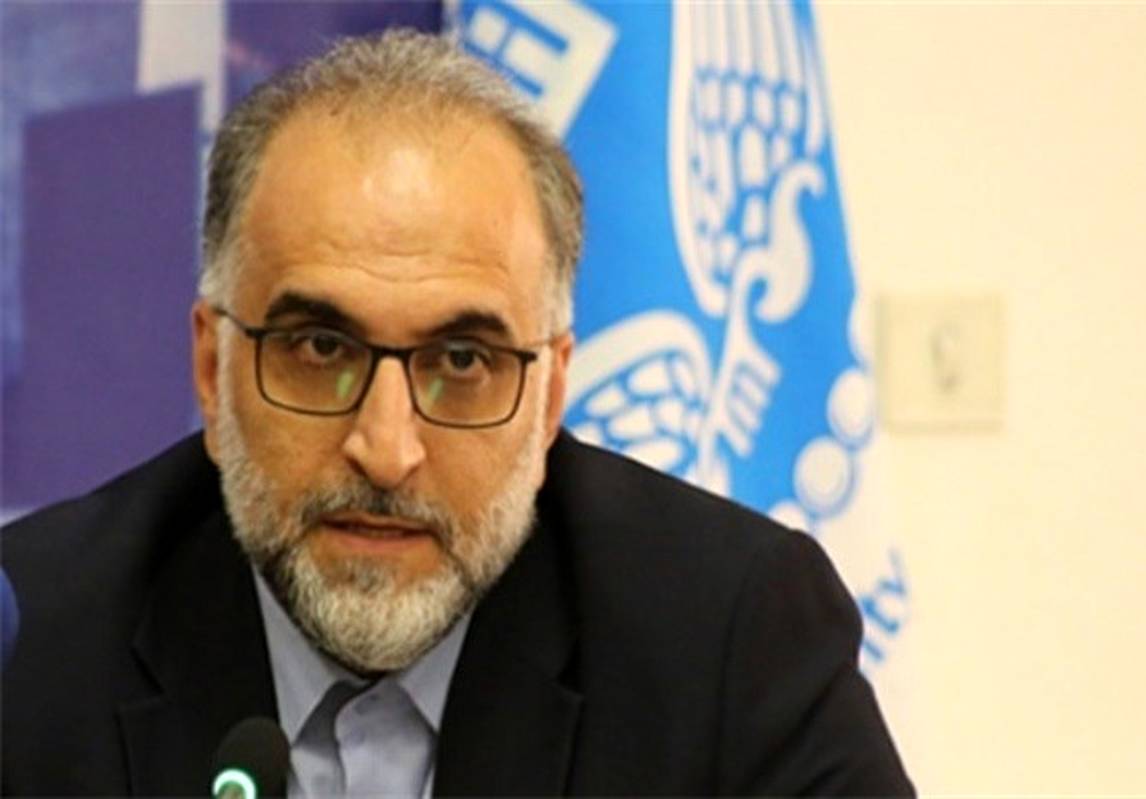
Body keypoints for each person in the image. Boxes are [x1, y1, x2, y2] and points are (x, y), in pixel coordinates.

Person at [1, 29, 913, 797]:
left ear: (549, 396)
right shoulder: (31, 649)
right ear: (213, 369)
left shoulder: (728, 643)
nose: (386, 448)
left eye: (463, 361)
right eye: (320, 350)